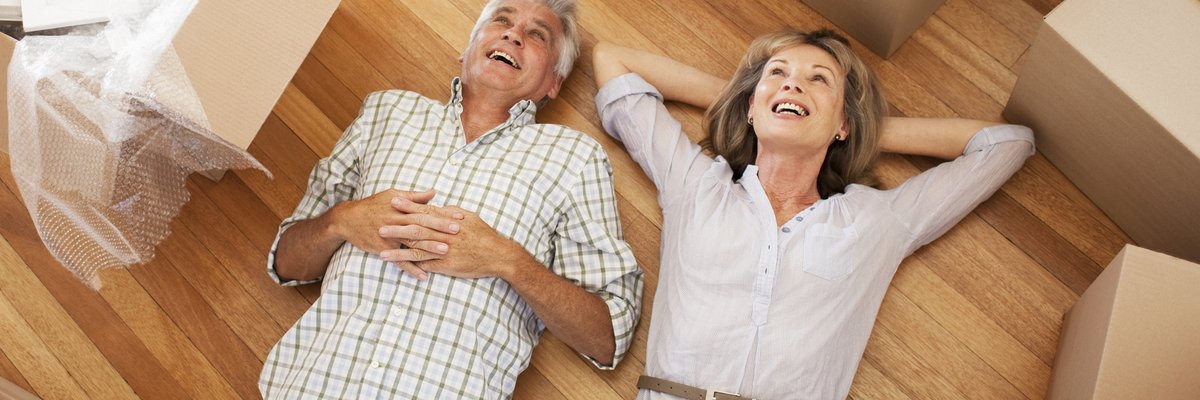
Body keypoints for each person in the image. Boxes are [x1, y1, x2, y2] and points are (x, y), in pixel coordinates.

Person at [592, 29, 1034, 399]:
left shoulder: (875, 221)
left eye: (818, 79)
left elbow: (1007, 144)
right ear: (750, 107)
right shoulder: (696, 186)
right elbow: (612, 60)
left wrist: (856, 129)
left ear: (844, 124)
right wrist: (753, 103)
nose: (792, 84)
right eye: (777, 73)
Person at [259, 0, 643, 398]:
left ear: (554, 83)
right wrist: (342, 220)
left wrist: (506, 259)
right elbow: (286, 264)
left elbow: (607, 338)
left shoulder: (575, 158)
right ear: (468, 48)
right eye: (502, 19)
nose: (513, 34)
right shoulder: (386, 111)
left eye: (537, 35)